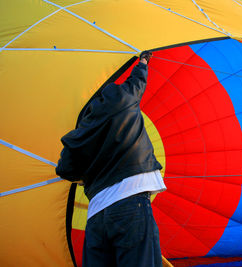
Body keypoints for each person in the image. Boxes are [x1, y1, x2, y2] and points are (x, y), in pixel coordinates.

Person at [56, 51, 166, 267]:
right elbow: (138, 80)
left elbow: (65, 169)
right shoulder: (124, 97)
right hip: (131, 203)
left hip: (97, 216)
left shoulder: (80, 130)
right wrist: (143, 61)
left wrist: (85, 173)